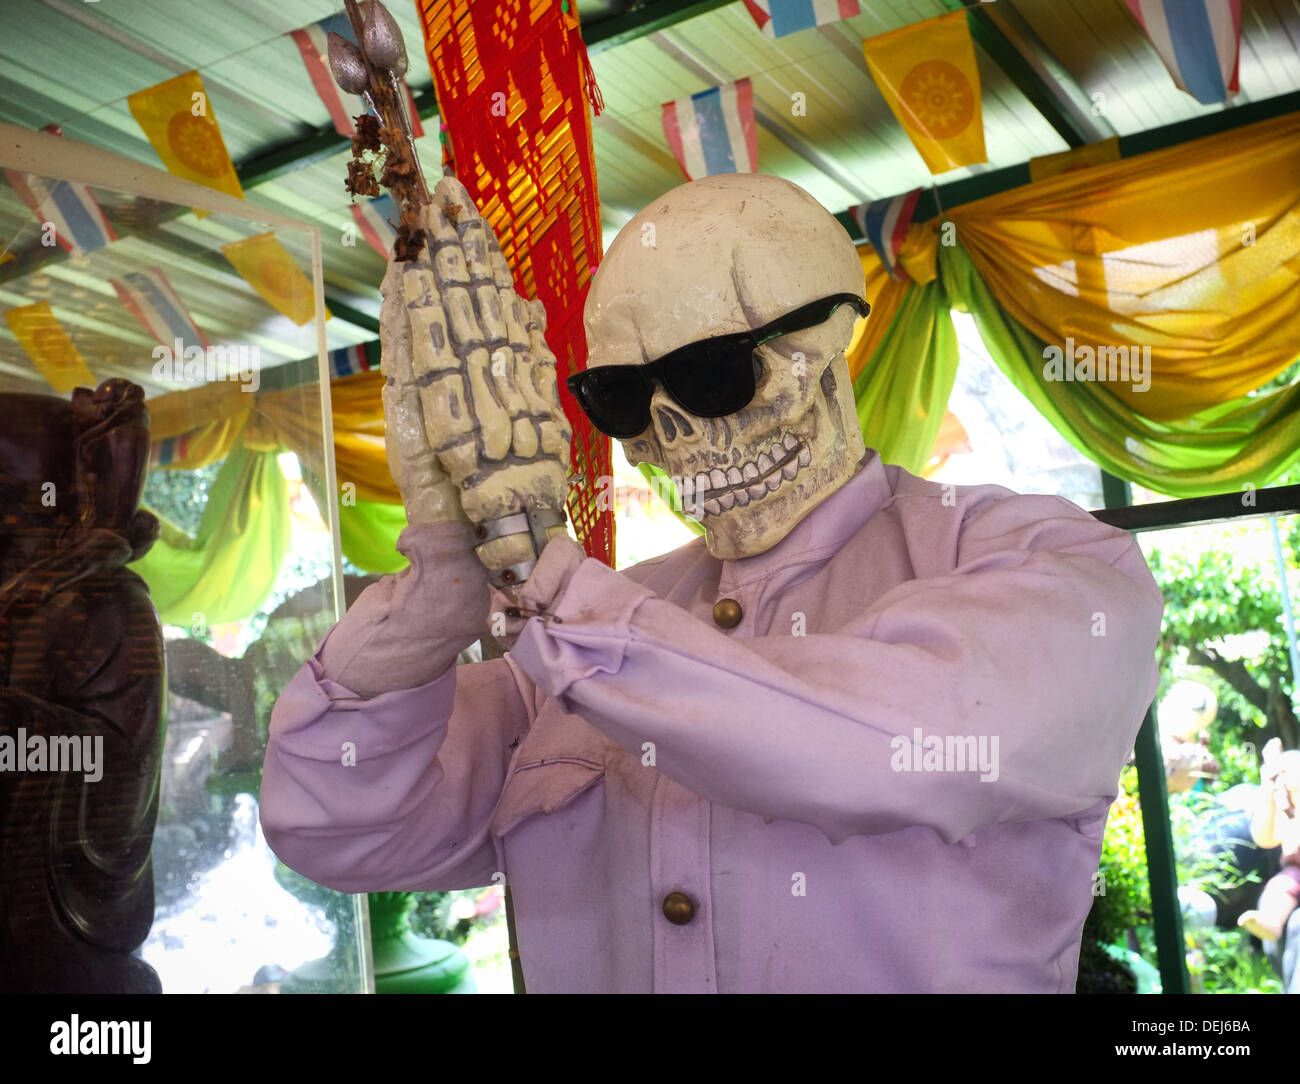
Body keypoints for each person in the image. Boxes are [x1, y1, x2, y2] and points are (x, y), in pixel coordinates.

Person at [261, 173, 1164, 993]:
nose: (671, 434)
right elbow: (339, 827)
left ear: (830, 343)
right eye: (621, 398)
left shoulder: (1051, 563)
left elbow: (884, 741)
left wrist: (562, 595)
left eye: (712, 374)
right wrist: (436, 597)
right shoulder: (579, 635)